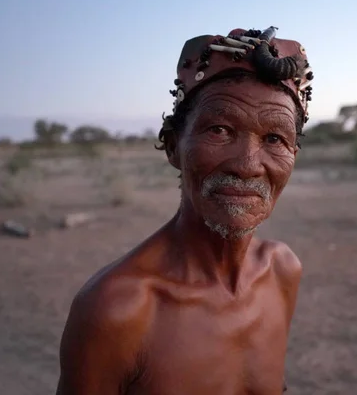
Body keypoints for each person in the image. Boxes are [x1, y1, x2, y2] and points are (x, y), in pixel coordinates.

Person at [55, 26, 314, 395]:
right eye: (220, 130)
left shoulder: (283, 271)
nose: (247, 164)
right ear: (174, 146)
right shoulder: (118, 310)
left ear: (293, 156)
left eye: (275, 138)